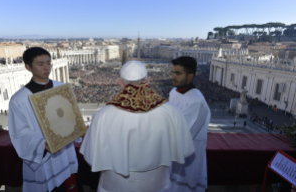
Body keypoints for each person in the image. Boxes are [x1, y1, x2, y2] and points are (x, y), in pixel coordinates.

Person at [80, 60, 194, 192]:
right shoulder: (172, 111)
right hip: (158, 186)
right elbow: (185, 151)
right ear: (148, 81)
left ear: (121, 84)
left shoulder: (102, 115)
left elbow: (90, 158)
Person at [8, 47, 83, 192]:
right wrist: (43, 144)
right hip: (43, 161)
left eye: (49, 63)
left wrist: (76, 126)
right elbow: (19, 133)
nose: (46, 67)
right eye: (40, 64)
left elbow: (70, 115)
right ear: (28, 67)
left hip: (65, 153)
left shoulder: (62, 88)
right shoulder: (19, 99)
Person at [169, 57, 211, 192]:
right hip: (173, 154)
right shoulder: (173, 92)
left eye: (178, 73)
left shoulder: (196, 101)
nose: (173, 77)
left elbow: (184, 135)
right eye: (173, 72)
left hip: (187, 160)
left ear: (190, 76)